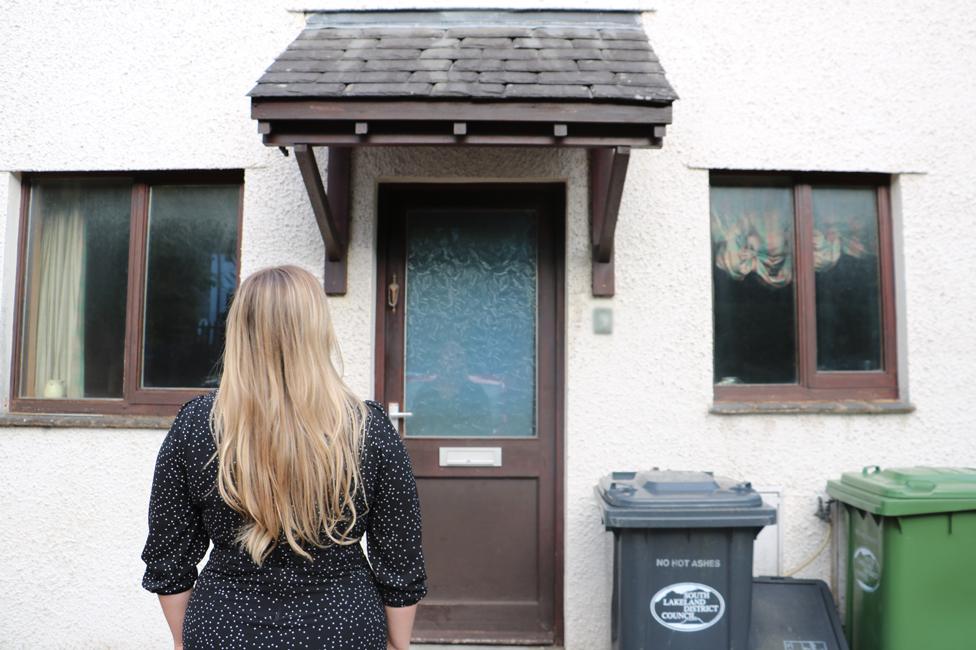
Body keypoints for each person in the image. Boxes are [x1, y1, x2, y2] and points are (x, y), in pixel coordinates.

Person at [140, 265, 427, 649]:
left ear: (240, 332)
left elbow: (168, 561)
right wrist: (398, 644)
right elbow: (400, 563)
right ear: (317, 332)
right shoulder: (367, 429)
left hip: (225, 629)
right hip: (342, 630)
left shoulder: (197, 426)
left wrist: (184, 641)